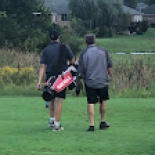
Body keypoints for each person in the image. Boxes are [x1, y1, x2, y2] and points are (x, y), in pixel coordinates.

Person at [37, 30, 75, 131]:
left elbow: (42, 66)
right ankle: (57, 125)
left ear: (50, 38)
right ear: (58, 37)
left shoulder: (46, 50)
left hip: (49, 76)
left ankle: (51, 120)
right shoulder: (64, 47)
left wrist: (39, 82)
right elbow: (72, 61)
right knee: (59, 100)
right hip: (60, 77)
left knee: (51, 99)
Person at [78, 33, 112, 131]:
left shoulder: (84, 54)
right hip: (103, 80)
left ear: (86, 42)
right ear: (94, 40)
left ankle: (92, 124)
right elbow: (109, 66)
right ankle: (102, 121)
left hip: (90, 81)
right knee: (103, 100)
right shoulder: (103, 51)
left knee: (91, 102)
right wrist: (108, 76)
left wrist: (84, 79)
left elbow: (82, 71)